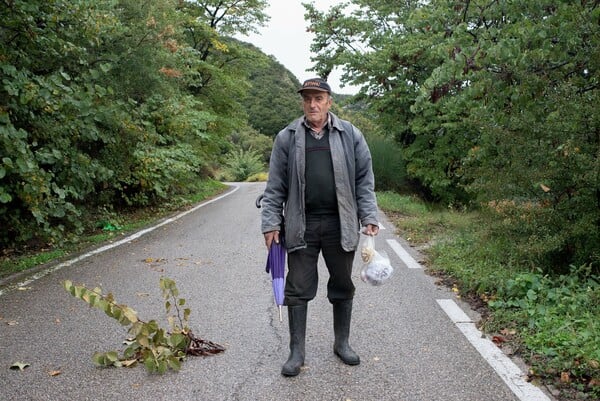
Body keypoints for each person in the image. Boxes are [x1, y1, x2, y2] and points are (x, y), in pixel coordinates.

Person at [260, 77, 379, 377]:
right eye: (307, 99)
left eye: (319, 98)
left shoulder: (349, 134)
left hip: (342, 223)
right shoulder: (287, 137)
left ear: (329, 101)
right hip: (303, 224)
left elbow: (364, 181)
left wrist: (370, 217)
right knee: (297, 287)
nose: (313, 104)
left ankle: (342, 343)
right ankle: (296, 351)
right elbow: (275, 186)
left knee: (342, 284)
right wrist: (271, 222)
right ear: (303, 102)